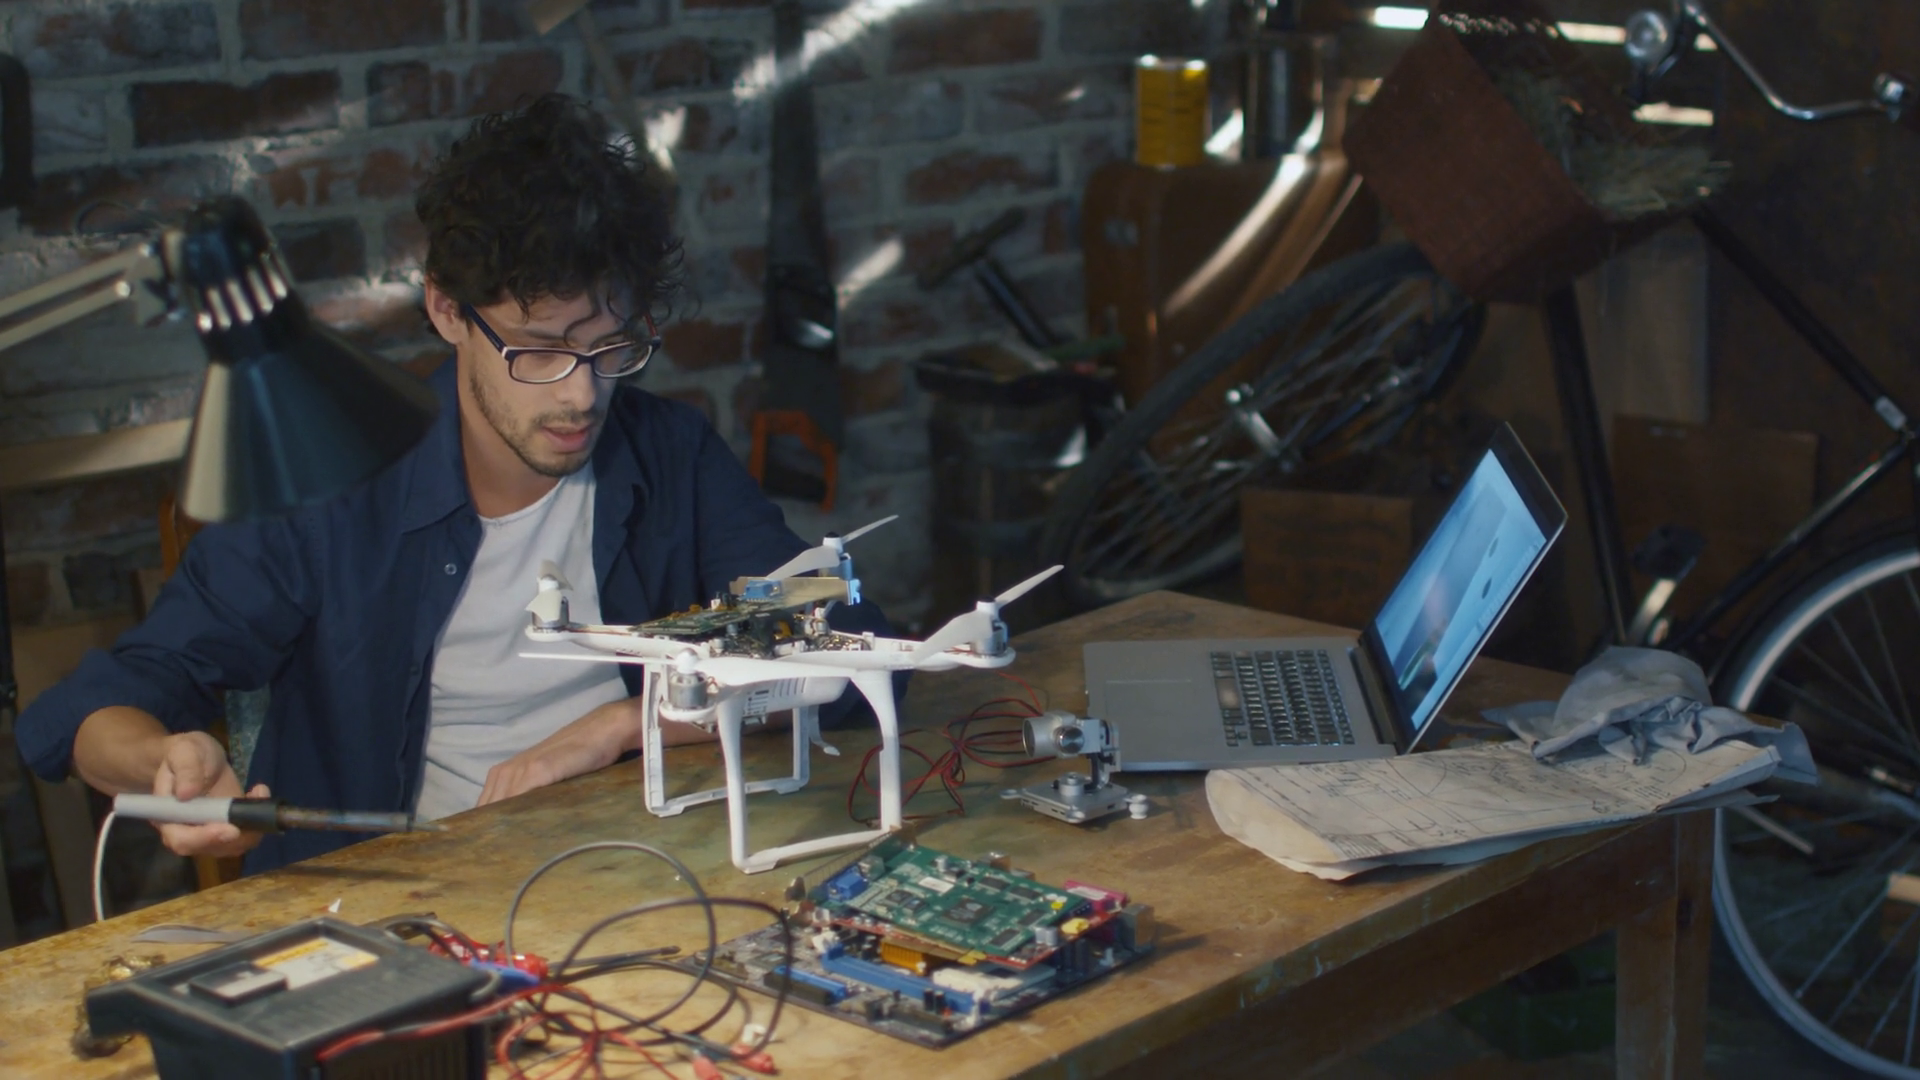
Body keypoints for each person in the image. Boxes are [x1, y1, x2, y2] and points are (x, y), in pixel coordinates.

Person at [15, 94, 894, 874]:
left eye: (611, 346)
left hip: (633, 870)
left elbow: (853, 653)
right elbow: (90, 709)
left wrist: (622, 727)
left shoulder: (665, 455)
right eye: (539, 349)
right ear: (446, 310)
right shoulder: (336, 480)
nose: (581, 394)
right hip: (397, 903)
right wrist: (167, 764)